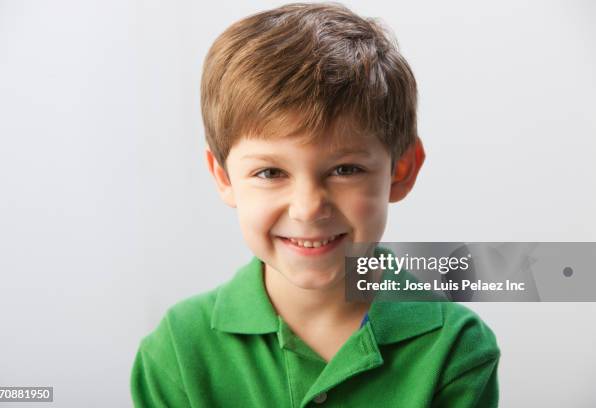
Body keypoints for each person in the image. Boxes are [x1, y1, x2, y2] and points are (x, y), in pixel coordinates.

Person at [131, 3, 500, 407]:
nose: (308, 209)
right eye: (271, 173)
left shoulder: (456, 348)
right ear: (223, 177)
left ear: (401, 170)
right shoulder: (178, 351)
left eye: (345, 169)